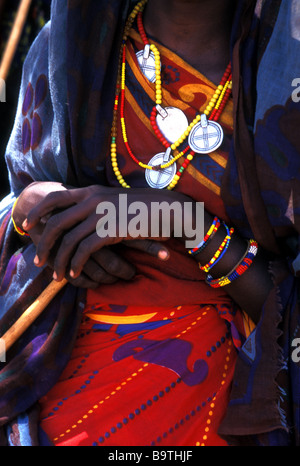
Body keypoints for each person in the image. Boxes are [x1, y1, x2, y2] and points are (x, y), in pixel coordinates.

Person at [0, 0, 299, 447]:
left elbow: (285, 308)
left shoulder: (285, 82)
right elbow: (18, 199)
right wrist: (28, 213)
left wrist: (182, 220)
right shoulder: (69, 51)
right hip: (57, 384)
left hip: (213, 403)